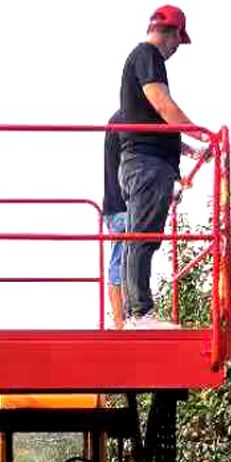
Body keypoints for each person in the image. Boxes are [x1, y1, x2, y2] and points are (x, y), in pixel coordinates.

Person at [117, 4, 199, 329]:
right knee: (143, 237)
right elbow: (163, 105)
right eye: (179, 40)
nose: (178, 48)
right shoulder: (148, 56)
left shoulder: (139, 58)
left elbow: (152, 122)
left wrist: (190, 148)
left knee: (137, 236)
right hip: (148, 165)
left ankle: (134, 312)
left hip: (142, 162)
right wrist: (199, 132)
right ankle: (140, 313)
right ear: (172, 33)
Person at [103, 109, 126, 329]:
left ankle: (122, 319)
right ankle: (120, 321)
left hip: (116, 204)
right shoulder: (128, 119)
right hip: (121, 205)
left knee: (123, 258)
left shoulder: (120, 118)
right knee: (121, 260)